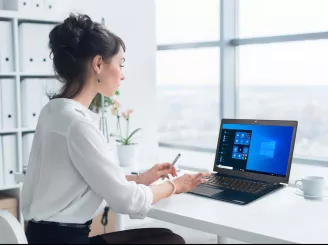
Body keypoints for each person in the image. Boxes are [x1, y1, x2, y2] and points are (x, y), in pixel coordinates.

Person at [21, 13, 210, 244]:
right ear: (98, 64)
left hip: (42, 237)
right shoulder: (79, 125)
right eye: (120, 64)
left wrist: (142, 178)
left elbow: (91, 176)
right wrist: (176, 185)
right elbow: (126, 201)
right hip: (66, 241)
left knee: (165, 236)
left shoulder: (53, 112)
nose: (123, 74)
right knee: (171, 242)